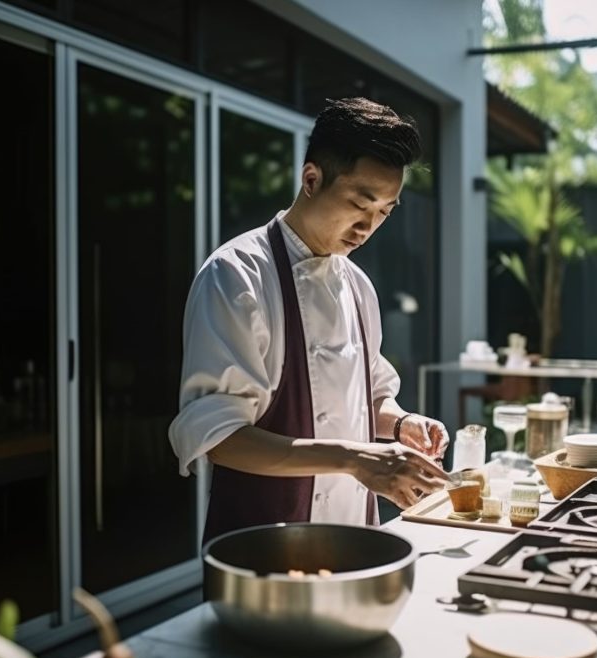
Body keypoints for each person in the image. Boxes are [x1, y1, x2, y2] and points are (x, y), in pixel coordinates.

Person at [169, 97, 450, 544]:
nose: (368, 226)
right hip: (262, 549)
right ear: (312, 179)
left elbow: (366, 397)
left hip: (354, 539)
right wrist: (355, 459)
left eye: (384, 212)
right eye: (360, 203)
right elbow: (220, 437)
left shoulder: (358, 285)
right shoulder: (237, 276)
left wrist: (400, 424)